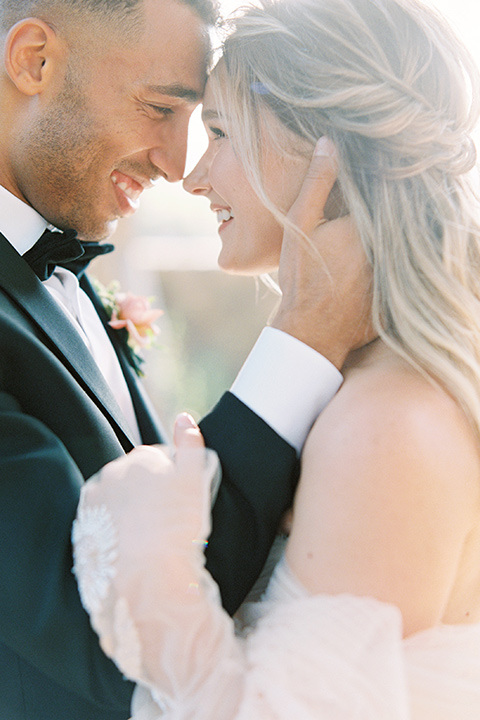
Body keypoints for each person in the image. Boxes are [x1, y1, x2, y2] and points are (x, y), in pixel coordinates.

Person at [72, 0, 480, 717]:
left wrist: (145, 542)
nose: (194, 177)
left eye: (222, 131)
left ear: (329, 147)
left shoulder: (389, 427)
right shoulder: (359, 384)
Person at [0, 0, 370, 718]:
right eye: (159, 108)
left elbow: (168, 534)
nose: (177, 164)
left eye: (206, 124)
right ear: (34, 61)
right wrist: (302, 338)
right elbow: (118, 634)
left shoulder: (64, 280)